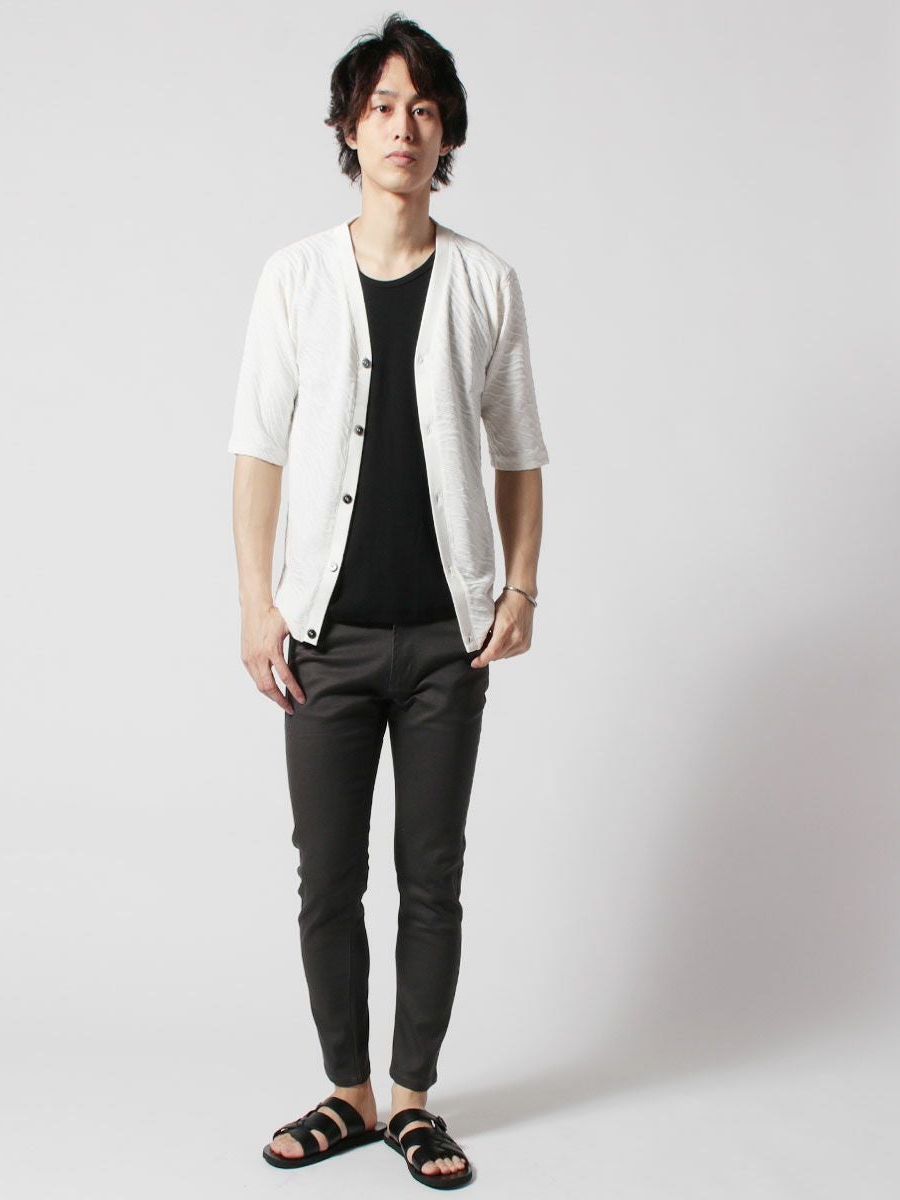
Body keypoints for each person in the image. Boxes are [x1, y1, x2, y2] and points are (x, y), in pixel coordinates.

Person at [229, 13, 548, 1190]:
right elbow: (257, 448)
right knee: (326, 874)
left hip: (445, 643)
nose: (400, 126)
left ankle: (412, 1101)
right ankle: (347, 1094)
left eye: (421, 107)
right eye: (379, 106)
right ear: (347, 129)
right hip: (323, 636)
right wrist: (256, 604)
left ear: (446, 131)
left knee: (430, 875)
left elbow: (520, 452)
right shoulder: (293, 278)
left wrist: (518, 586)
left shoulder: (485, 282)